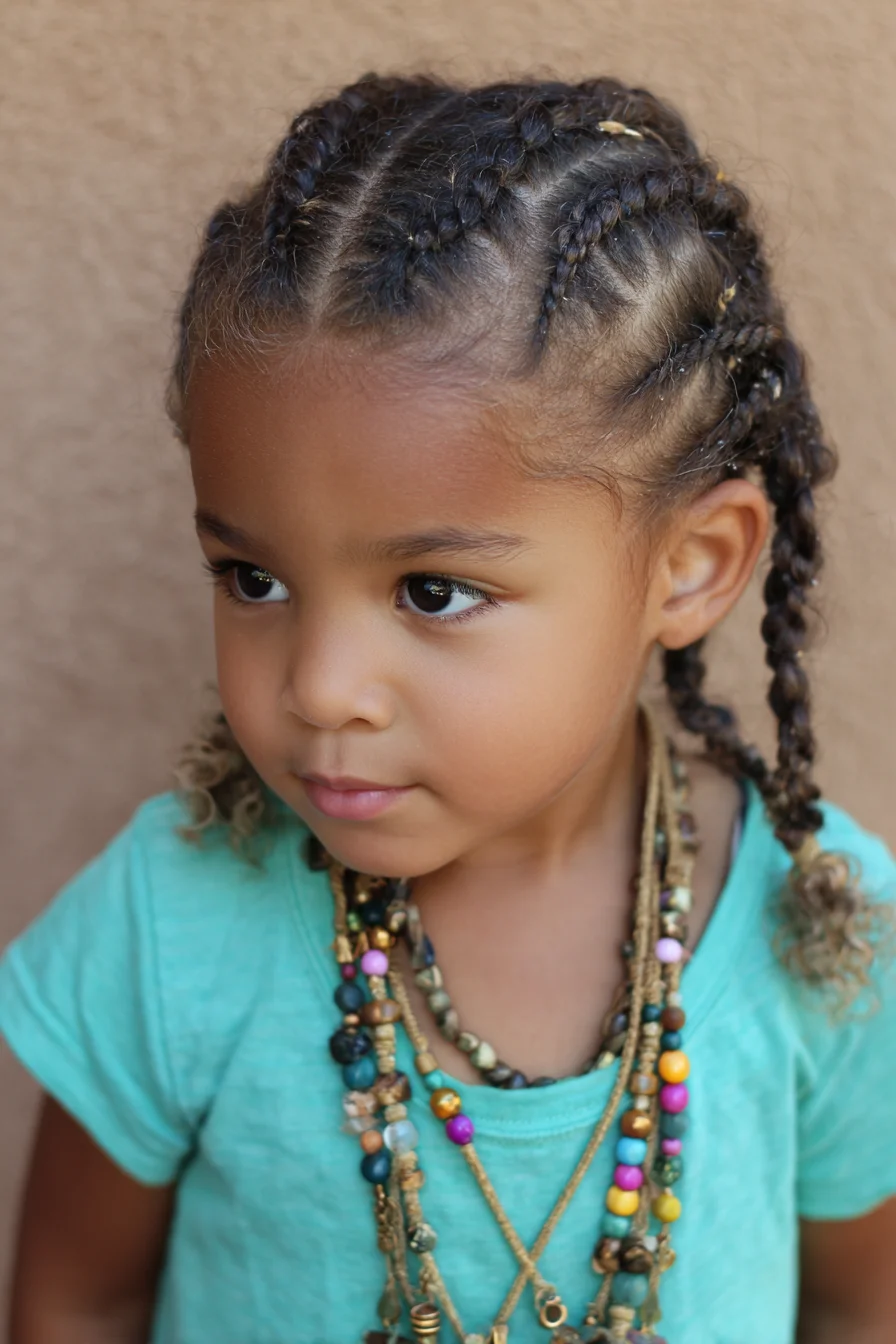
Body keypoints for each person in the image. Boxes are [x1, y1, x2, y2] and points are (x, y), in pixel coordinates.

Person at [2, 73, 895, 1344]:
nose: (317, 686)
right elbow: (74, 1302)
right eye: (251, 577)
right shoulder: (176, 923)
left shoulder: (819, 953)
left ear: (687, 567)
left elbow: (861, 1304)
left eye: (432, 590)